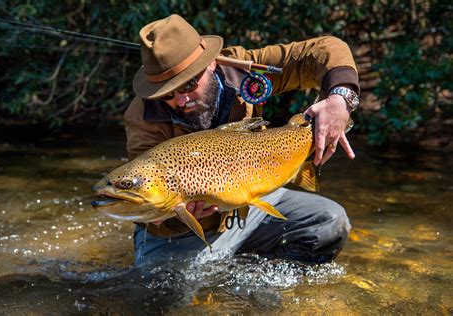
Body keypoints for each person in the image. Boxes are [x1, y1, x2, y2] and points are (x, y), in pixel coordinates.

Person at [124, 14, 359, 266]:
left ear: (212, 63)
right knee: (161, 292)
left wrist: (340, 98)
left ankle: (265, 278)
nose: (181, 100)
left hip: (251, 202)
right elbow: (146, 203)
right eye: (167, 94)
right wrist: (172, 217)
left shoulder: (243, 68)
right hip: (182, 234)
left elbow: (325, 50)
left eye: (189, 84)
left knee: (329, 221)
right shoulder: (141, 118)